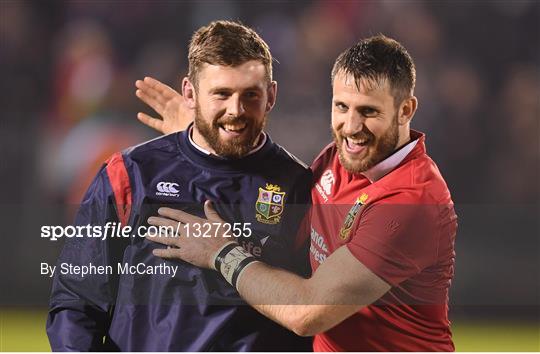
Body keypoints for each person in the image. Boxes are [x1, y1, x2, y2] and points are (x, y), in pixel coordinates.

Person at [141, 35, 458, 351]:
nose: (350, 126)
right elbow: (272, 188)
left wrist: (220, 252)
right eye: (342, 106)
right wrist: (209, 136)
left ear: (406, 110)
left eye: (369, 112)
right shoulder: (343, 157)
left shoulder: (412, 200)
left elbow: (307, 313)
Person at [46, 20, 313, 351]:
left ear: (271, 95)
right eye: (221, 94)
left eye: (250, 95)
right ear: (190, 93)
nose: (236, 110)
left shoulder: (302, 189)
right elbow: (76, 302)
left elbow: (317, 316)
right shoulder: (130, 176)